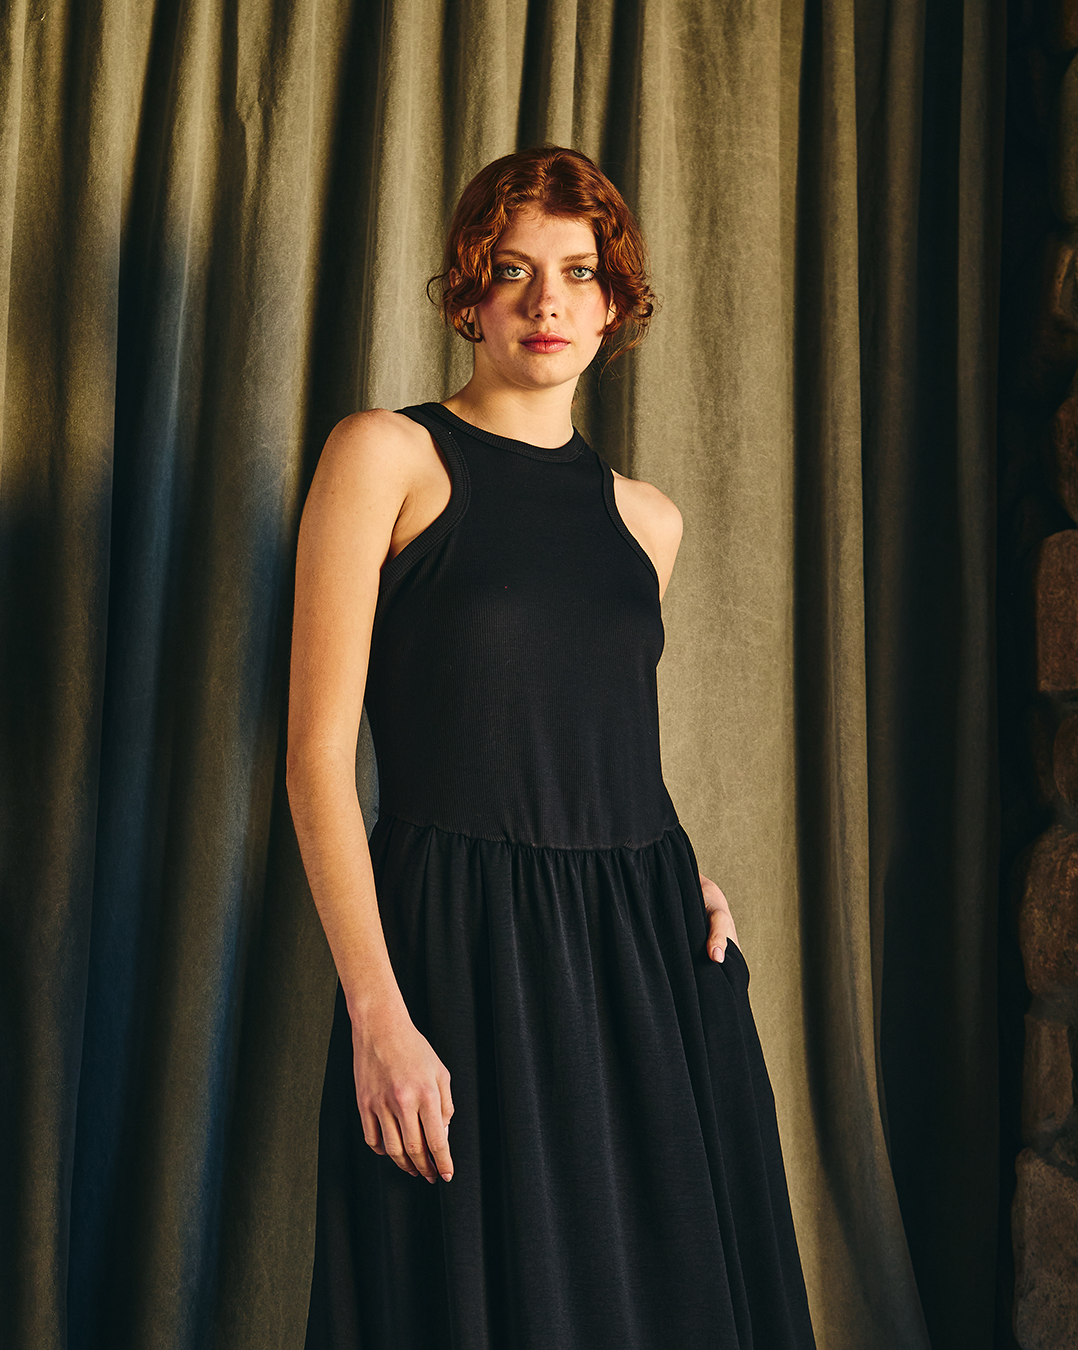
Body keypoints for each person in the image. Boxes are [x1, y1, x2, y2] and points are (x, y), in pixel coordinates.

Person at [287, 145, 816, 1350]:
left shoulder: (647, 519)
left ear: (616, 302)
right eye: (513, 269)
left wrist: (687, 870)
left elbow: (595, 732)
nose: (547, 301)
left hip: (648, 956)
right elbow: (316, 759)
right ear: (467, 293)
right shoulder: (386, 456)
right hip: (460, 951)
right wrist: (378, 1014)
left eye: (580, 272)